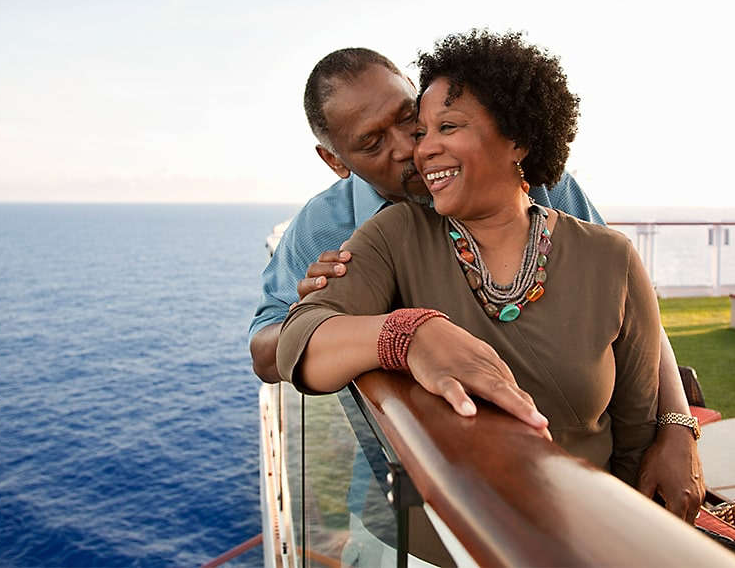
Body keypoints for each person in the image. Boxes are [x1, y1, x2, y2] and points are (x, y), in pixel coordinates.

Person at [248, 46, 704, 519]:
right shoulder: (334, 230)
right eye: (372, 143)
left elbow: (625, 309)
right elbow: (268, 349)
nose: (409, 147)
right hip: (408, 483)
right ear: (335, 160)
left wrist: (678, 426)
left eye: (411, 119)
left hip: (581, 505)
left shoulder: (540, 185)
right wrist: (361, 324)